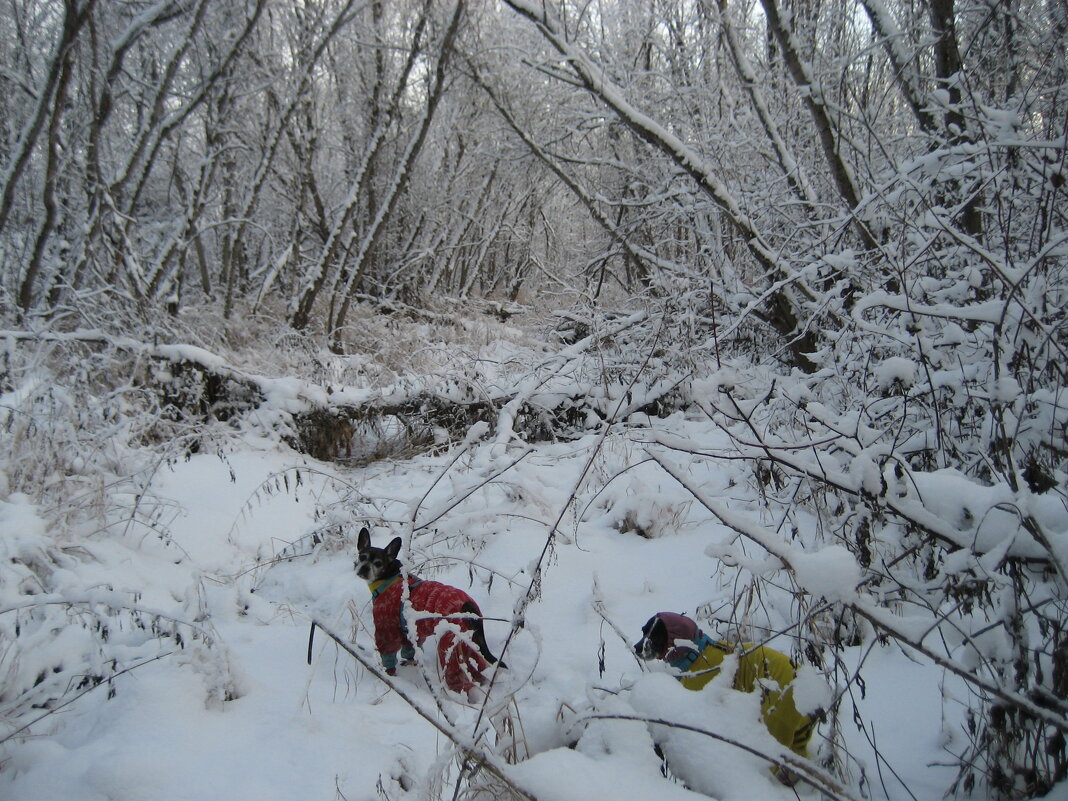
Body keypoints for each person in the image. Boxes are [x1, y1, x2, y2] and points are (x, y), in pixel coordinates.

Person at [634, 611, 815, 764]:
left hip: (785, 692)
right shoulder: (709, 655)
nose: (643, 644)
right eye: (645, 635)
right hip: (803, 687)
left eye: (654, 639)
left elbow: (713, 727)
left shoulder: (703, 670)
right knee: (794, 755)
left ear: (676, 640)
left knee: (771, 764)